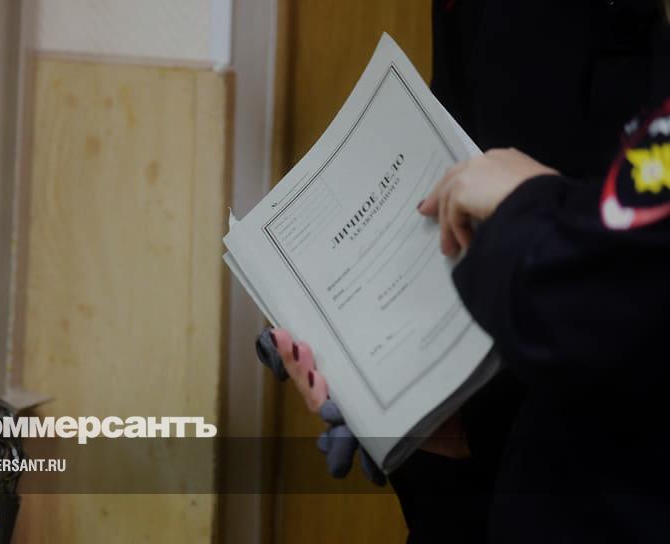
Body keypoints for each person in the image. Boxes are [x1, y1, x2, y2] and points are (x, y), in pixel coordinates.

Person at [255, 0, 670, 541]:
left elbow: (610, 286)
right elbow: (454, 184)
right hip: (490, 468)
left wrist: (530, 206)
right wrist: (377, 372)